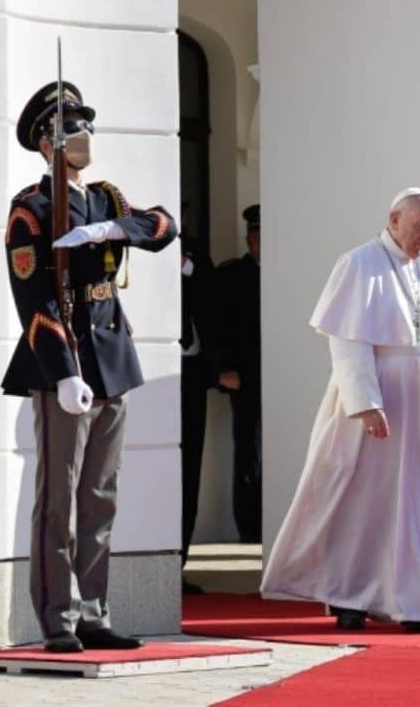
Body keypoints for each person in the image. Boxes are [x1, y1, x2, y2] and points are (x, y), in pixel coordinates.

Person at [261, 188, 420, 632]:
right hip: (377, 412)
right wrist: (365, 404)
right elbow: (348, 341)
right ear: (394, 218)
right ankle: (351, 596)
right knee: (364, 506)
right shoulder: (358, 264)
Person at [2, 81, 178, 652]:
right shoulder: (30, 211)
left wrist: (109, 229)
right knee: (59, 499)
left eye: (86, 124)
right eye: (75, 127)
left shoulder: (104, 199)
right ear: (49, 142)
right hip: (68, 364)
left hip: (111, 361)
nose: (87, 135)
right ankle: (59, 618)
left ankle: (96, 611)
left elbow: (163, 226)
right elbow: (34, 298)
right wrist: (61, 371)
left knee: (100, 494)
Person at [179, 227, 224, 594]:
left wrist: (182, 265)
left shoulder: (194, 258)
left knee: (189, 468)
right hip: (148, 374)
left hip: (190, 375)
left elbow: (210, 295)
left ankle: (180, 562)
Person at [214, 204, 263, 543]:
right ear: (249, 239)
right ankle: (251, 531)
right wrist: (224, 368)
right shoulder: (231, 275)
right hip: (246, 377)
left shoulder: (288, 274)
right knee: (249, 454)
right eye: (257, 236)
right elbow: (217, 325)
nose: (262, 243)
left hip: (281, 375)